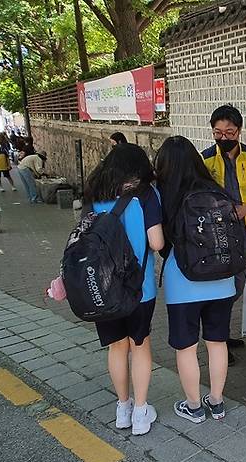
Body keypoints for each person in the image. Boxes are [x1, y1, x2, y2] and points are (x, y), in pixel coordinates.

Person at [84, 143, 164, 435]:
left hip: (103, 287)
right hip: (138, 288)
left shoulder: (94, 193)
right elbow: (156, 243)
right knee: (139, 346)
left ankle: (123, 408)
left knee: (116, 347)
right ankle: (142, 413)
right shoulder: (146, 195)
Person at [156, 135, 237, 422]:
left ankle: (193, 407)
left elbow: (160, 244)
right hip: (223, 279)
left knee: (186, 346)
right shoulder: (217, 190)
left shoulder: (163, 195)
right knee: (217, 342)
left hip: (185, 283)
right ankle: (216, 402)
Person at [202, 104, 246, 364]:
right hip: (215, 236)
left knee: (236, 286)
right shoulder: (205, 159)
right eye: (218, 133)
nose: (223, 138)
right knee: (219, 288)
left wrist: (242, 211)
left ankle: (221, 333)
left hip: (244, 233)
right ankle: (216, 340)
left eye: (229, 132)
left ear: (239, 131)